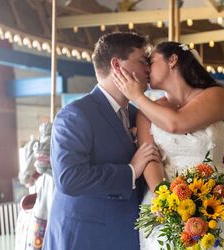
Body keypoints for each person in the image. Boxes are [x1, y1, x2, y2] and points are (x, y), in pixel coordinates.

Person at [113, 41, 224, 249]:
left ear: (172, 60)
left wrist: (136, 96)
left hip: (214, 198)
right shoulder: (148, 110)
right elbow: (150, 158)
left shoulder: (217, 95)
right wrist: (167, 200)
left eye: (151, 62)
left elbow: (176, 123)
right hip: (167, 203)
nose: (146, 69)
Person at [43, 32, 161, 250]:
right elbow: (69, 178)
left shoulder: (139, 115)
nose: (148, 69)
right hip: (85, 238)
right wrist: (130, 171)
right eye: (142, 61)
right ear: (117, 64)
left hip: (128, 236)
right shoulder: (76, 114)